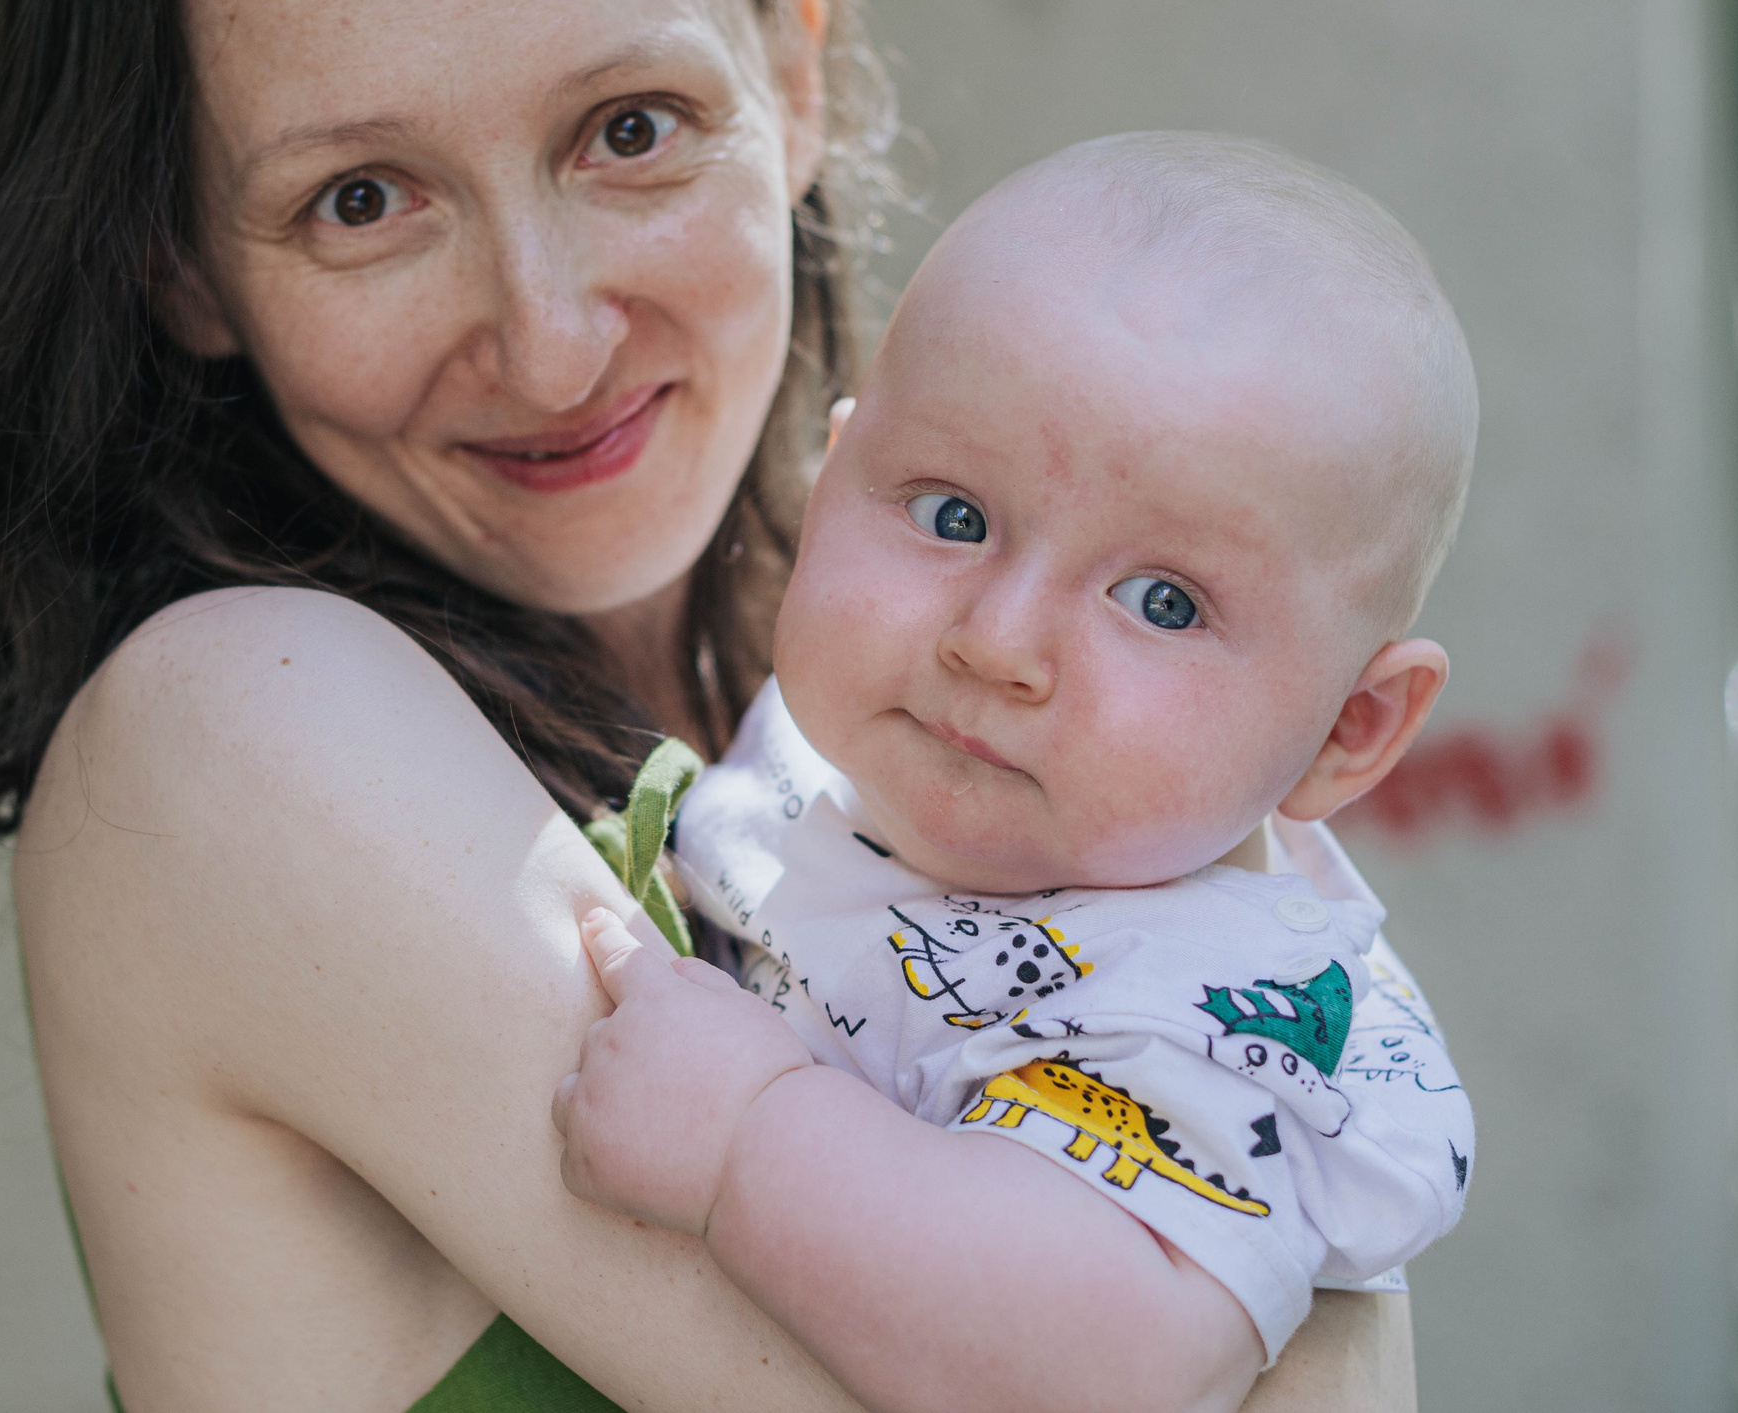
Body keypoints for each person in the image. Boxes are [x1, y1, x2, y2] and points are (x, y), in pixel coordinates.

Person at [0, 0, 1424, 1406]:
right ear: (182, 259)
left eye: (628, 127)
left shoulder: (899, 756)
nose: (549, 344)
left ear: (792, 80)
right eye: (361, 199)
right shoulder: (233, 730)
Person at [551, 135, 1477, 1413]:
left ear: (1347, 728)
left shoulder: (1204, 1013)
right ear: (829, 483)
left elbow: (1117, 1361)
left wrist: (742, 1137)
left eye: (1160, 601)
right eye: (950, 515)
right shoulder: (833, 752)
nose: (996, 640)